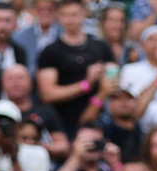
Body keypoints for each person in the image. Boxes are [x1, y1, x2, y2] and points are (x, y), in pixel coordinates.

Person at [35, 0, 112, 137]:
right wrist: (85, 84)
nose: (70, 20)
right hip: (64, 122)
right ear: (58, 16)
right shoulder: (51, 52)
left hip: (99, 120)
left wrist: (104, 74)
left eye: (74, 14)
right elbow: (47, 94)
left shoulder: (101, 47)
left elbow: (113, 79)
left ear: (84, 14)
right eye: (65, 15)